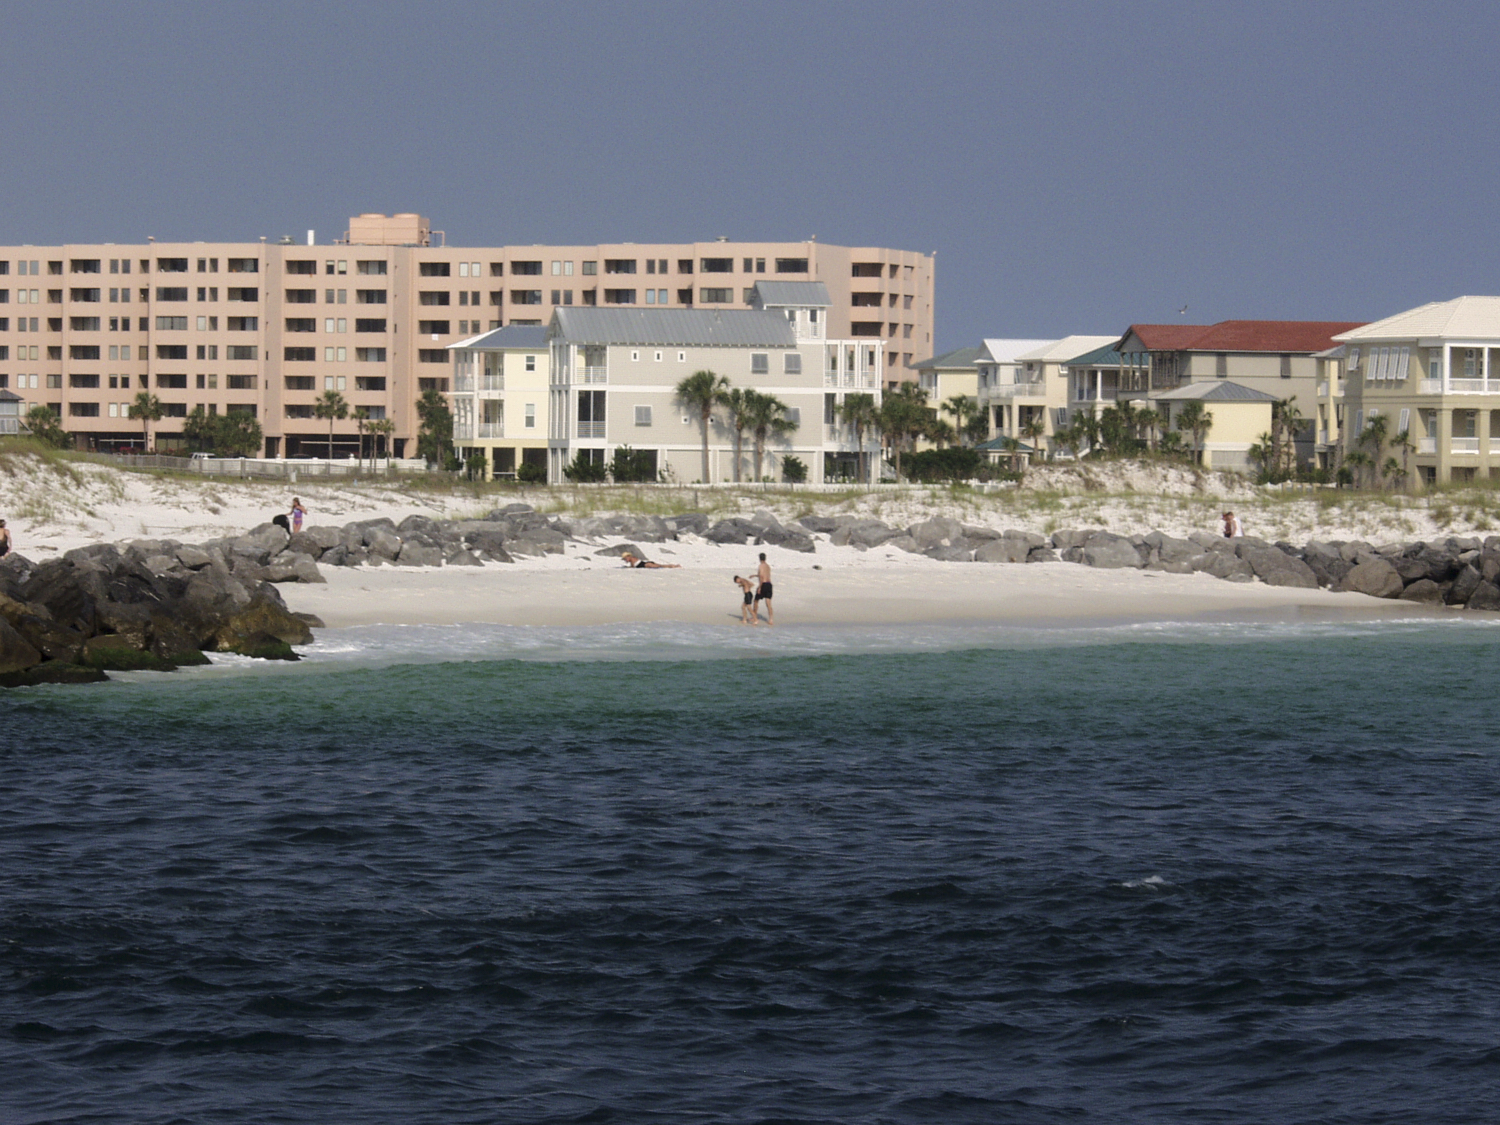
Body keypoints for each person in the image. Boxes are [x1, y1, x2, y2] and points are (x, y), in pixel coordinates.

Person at [753, 552, 773, 625]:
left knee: (756, 601)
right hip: (769, 584)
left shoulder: (761, 566)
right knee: (768, 603)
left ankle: (754, 617)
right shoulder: (768, 566)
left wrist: (759, 587)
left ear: (759, 558)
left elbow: (761, 576)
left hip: (763, 584)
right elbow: (765, 575)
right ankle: (771, 619)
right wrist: (754, 575)